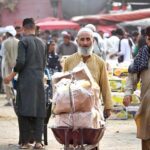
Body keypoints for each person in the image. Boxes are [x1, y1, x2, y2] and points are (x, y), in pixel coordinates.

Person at [4, 18, 47, 149]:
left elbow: (21, 62)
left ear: (23, 28)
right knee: (39, 110)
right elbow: (44, 63)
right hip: (39, 80)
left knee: (23, 110)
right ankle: (38, 142)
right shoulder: (43, 43)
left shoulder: (23, 42)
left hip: (26, 80)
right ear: (34, 27)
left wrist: (11, 75)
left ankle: (25, 142)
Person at [63, 27, 112, 118]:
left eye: (88, 39)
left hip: (94, 107)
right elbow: (63, 86)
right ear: (77, 41)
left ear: (93, 41)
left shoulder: (100, 62)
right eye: (82, 39)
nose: (85, 43)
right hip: (73, 108)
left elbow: (105, 85)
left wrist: (108, 107)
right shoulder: (69, 61)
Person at [123, 26, 150, 150]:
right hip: (147, 105)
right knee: (146, 137)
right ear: (147, 39)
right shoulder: (142, 55)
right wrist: (128, 93)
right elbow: (132, 76)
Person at [1, 26, 19, 106]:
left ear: (8, 33)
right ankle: (17, 98)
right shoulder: (18, 41)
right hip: (16, 65)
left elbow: (2, 54)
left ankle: (10, 99)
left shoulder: (4, 42)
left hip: (7, 64)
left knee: (7, 80)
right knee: (16, 80)